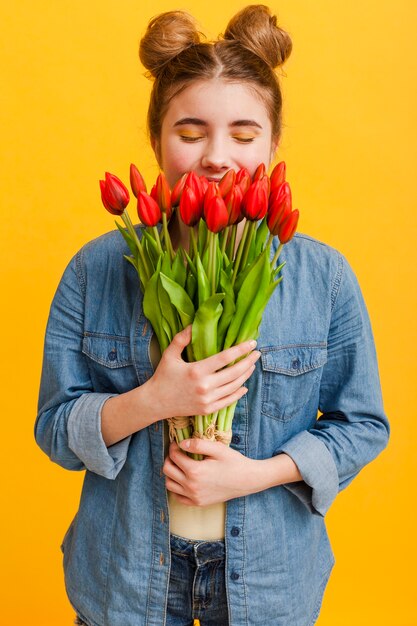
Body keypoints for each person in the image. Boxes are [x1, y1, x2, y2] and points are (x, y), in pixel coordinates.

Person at [35, 5, 389, 626]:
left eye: (245, 136)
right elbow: (55, 430)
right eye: (191, 133)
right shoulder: (95, 269)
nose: (217, 158)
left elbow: (362, 426)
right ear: (156, 139)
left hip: (270, 584)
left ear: (275, 145)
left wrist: (252, 476)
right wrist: (155, 399)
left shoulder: (323, 279)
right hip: (124, 580)